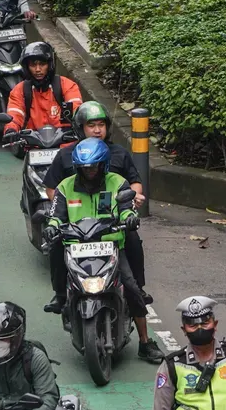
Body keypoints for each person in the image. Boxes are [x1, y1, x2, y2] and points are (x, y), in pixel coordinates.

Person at [43, 137, 164, 364]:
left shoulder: (117, 183)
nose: (89, 171)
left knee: (132, 288)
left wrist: (129, 219)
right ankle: (61, 297)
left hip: (110, 247)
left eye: (94, 166)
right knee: (55, 251)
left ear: (103, 164)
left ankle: (146, 342)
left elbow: (127, 209)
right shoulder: (65, 187)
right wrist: (52, 227)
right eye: (84, 167)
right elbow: (55, 215)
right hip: (77, 249)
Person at [43, 100, 151, 302]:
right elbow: (52, 188)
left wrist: (131, 203)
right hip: (76, 226)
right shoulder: (66, 155)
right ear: (80, 128)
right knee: (55, 245)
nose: (97, 130)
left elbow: (135, 183)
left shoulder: (119, 154)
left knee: (133, 239)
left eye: (101, 125)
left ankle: (139, 288)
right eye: (91, 125)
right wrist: (63, 209)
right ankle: (59, 295)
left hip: (112, 223)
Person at [1, 41, 81, 139]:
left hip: (65, 144)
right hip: (33, 145)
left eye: (42, 64)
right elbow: (15, 114)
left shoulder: (67, 85)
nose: (38, 69)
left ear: (50, 65)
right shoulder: (19, 90)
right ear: (27, 68)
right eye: (33, 65)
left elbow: (77, 109)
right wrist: (11, 129)